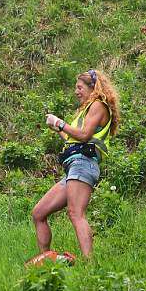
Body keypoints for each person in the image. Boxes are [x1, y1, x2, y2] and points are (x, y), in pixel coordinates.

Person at [32, 69, 120, 259]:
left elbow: (84, 135)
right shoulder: (86, 110)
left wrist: (61, 123)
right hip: (74, 166)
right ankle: (47, 261)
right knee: (39, 213)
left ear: (92, 88)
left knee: (75, 213)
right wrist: (58, 128)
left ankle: (89, 264)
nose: (76, 91)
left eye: (80, 87)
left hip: (84, 164)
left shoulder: (98, 105)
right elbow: (74, 139)